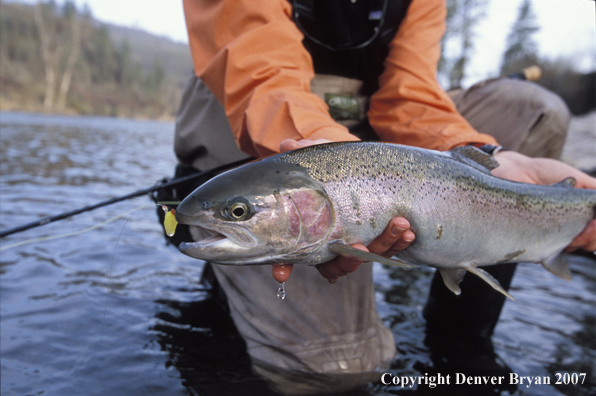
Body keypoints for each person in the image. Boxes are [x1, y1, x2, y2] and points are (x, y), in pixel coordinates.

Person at [170, 0, 596, 393]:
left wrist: (484, 152)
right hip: (260, 118)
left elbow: (408, 95)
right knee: (336, 370)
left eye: (239, 212)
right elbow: (259, 70)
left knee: (539, 107)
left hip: (371, 133)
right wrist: (326, 151)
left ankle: (460, 335)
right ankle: (235, 276)